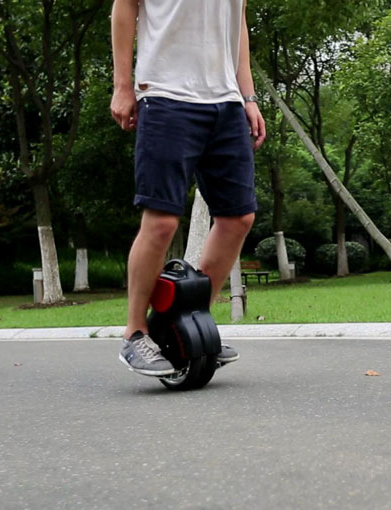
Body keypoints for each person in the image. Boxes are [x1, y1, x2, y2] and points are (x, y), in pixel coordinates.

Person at [110, 0, 266, 376]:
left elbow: (238, 22)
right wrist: (122, 85)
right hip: (165, 95)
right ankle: (135, 332)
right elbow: (124, 7)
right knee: (162, 221)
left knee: (238, 218)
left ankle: (188, 322)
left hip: (226, 101)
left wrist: (248, 96)